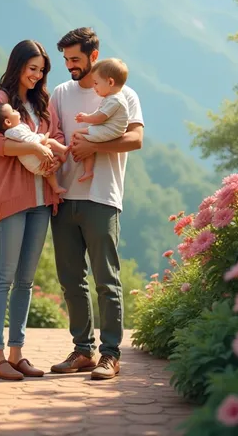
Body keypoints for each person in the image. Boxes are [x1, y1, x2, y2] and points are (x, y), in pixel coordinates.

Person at [50, 27, 144, 380]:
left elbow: (135, 139)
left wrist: (95, 147)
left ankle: (111, 354)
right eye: (65, 60)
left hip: (102, 197)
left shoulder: (124, 94)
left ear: (94, 55)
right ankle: (82, 351)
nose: (69, 66)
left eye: (75, 59)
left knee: (107, 280)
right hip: (64, 196)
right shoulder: (61, 92)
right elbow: (54, 135)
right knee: (71, 280)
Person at [0, 40, 65, 381]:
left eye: (41, 70)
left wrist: (52, 153)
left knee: (26, 281)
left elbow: (57, 136)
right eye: (32, 68)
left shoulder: (42, 104)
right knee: (4, 276)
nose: (37, 75)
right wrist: (31, 144)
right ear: (17, 65)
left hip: (42, 200)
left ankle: (17, 353)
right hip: (10, 198)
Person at [0, 101, 68, 198]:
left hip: (35, 164)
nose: (16, 110)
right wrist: (42, 140)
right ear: (8, 122)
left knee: (48, 171)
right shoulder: (13, 131)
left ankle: (56, 186)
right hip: (33, 160)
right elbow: (29, 140)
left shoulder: (16, 129)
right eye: (13, 111)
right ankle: (63, 150)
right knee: (50, 142)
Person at [72, 58, 129, 183]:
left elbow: (99, 118)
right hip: (108, 128)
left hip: (110, 131)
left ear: (110, 82)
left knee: (78, 135)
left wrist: (85, 117)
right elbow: (100, 114)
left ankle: (87, 169)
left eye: (96, 83)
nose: (94, 87)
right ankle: (86, 166)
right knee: (79, 134)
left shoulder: (115, 100)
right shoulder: (112, 98)